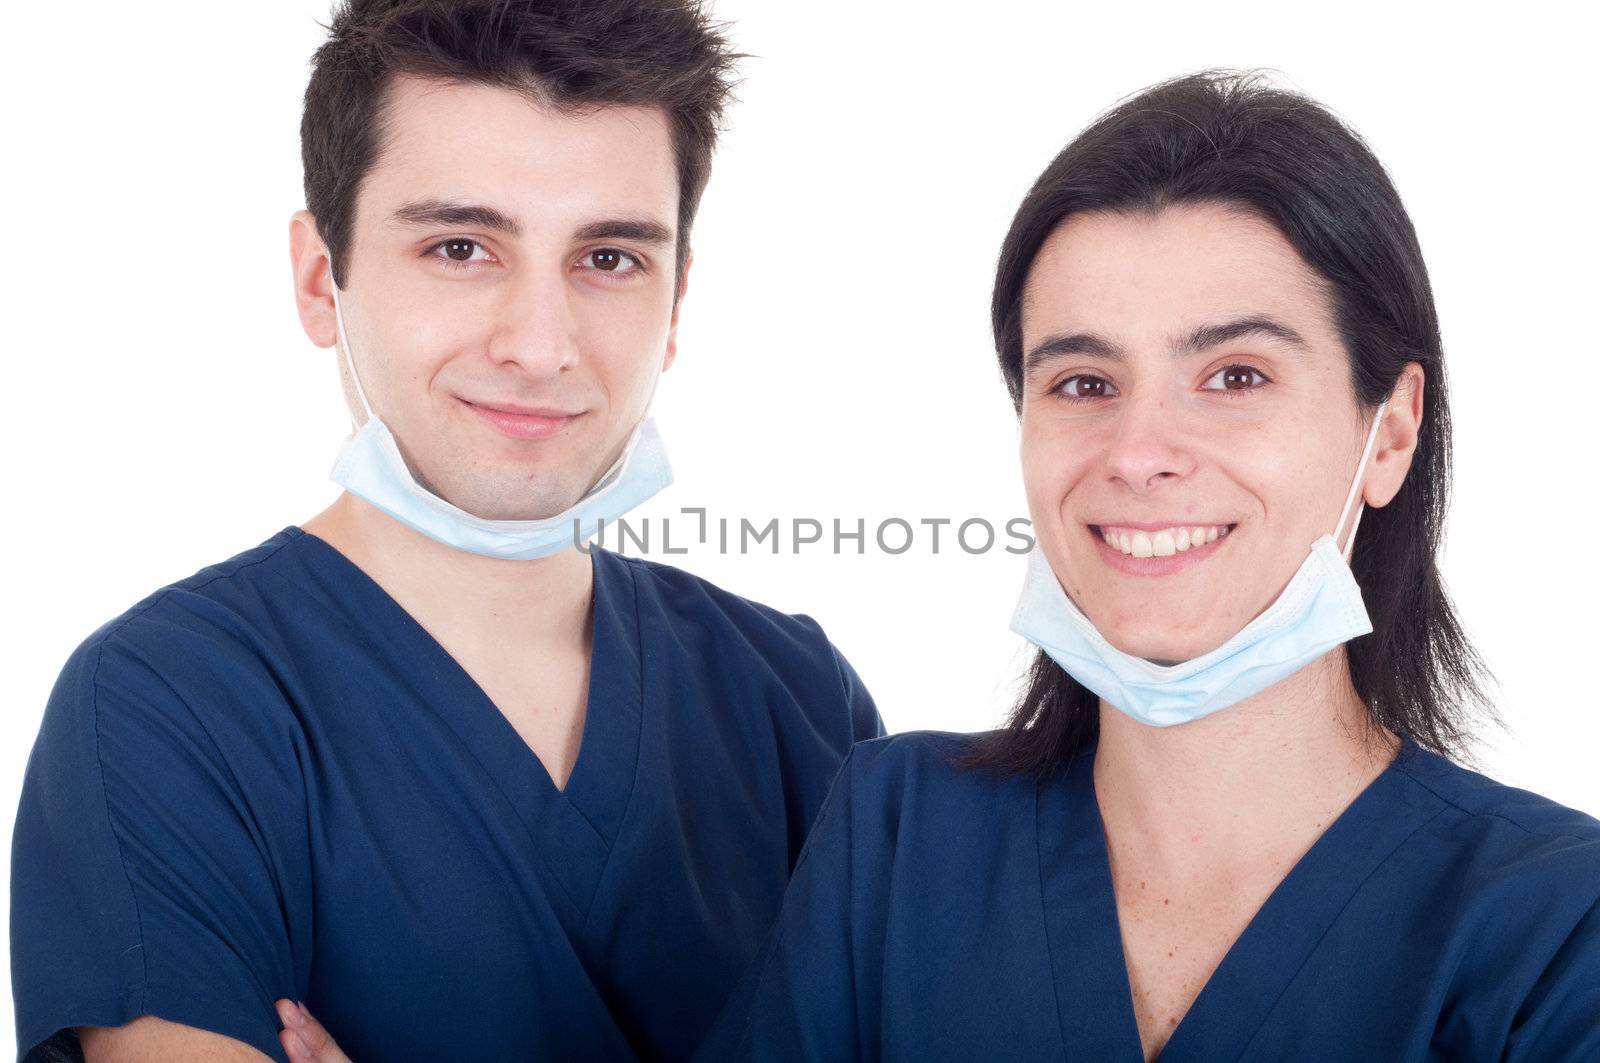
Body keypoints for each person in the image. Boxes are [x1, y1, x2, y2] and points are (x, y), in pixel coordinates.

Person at [9, 2, 882, 1061]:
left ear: (677, 300)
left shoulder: (797, 698)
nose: (539, 342)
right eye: (461, 246)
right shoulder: (170, 708)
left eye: (609, 258)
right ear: (319, 275)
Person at [686, 71, 1600, 1060]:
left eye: (1235, 375)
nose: (1136, 450)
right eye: (1084, 382)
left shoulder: (1552, 928)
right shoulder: (897, 837)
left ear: (1389, 434)